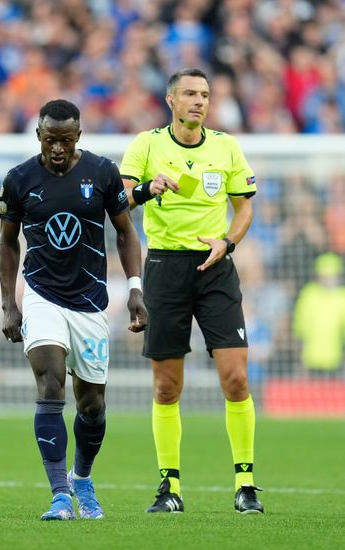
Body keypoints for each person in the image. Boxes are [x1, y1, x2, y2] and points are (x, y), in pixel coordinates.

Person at [120, 68, 264, 514]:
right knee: (167, 386)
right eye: (189, 94)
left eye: (204, 94)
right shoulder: (147, 144)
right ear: (170, 100)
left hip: (216, 267)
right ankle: (170, 488)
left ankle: (245, 484)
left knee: (236, 378)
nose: (198, 101)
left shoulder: (226, 146)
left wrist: (229, 242)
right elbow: (120, 200)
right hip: (164, 268)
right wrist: (147, 188)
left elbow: (244, 207)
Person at [0, 99, 147, 521]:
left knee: (92, 405)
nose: (57, 148)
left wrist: (135, 289)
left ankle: (82, 478)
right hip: (42, 295)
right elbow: (7, 242)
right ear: (38, 136)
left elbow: (125, 233)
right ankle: (59, 494)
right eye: (50, 140)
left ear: (78, 136)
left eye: (65, 140)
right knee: (50, 384)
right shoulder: (19, 179)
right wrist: (10, 302)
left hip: (90, 302)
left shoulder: (102, 172)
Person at [293, 252, 345, 374]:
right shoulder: (309, 293)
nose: (328, 280)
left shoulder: (342, 296)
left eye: (331, 276)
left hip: (336, 358)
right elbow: (300, 326)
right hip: (310, 358)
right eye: (324, 276)